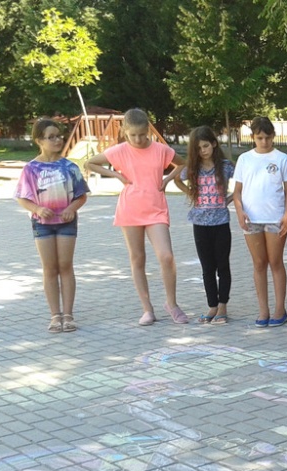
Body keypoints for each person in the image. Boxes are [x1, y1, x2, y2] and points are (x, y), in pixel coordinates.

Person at [86, 108, 187, 326]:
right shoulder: (119, 150)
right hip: (130, 209)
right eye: (133, 135)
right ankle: (147, 309)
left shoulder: (161, 150)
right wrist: (116, 174)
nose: (138, 139)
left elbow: (182, 163)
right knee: (137, 258)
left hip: (156, 209)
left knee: (166, 256)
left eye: (142, 134)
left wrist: (167, 179)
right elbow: (90, 163)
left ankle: (172, 303)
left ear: (148, 130)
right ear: (125, 132)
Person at [15, 117, 89, 333]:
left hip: (66, 223)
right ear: (39, 141)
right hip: (43, 225)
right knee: (50, 268)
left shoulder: (70, 167)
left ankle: (68, 314)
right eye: (51, 137)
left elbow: (81, 195)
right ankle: (55, 315)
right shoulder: (31, 169)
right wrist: (37, 209)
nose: (57, 140)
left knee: (65, 265)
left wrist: (71, 208)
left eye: (59, 136)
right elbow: (22, 198)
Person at [232, 117, 287, 328]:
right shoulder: (244, 159)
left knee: (276, 262)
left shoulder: (282, 158)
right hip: (252, 219)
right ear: (253, 137)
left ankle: (280, 309)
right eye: (260, 138)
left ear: (273, 136)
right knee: (259, 263)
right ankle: (263, 309)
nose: (264, 142)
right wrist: (239, 211)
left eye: (268, 137)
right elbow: (237, 191)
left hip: (275, 218)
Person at [171, 126, 235, 325]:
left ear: (214, 144)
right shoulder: (193, 168)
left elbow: (243, 182)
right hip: (200, 224)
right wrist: (190, 193)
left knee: (222, 266)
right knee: (207, 268)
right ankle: (212, 306)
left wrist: (231, 198)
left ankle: (223, 306)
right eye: (198, 148)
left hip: (221, 222)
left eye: (206, 146)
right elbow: (177, 179)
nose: (203, 151)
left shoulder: (225, 166)